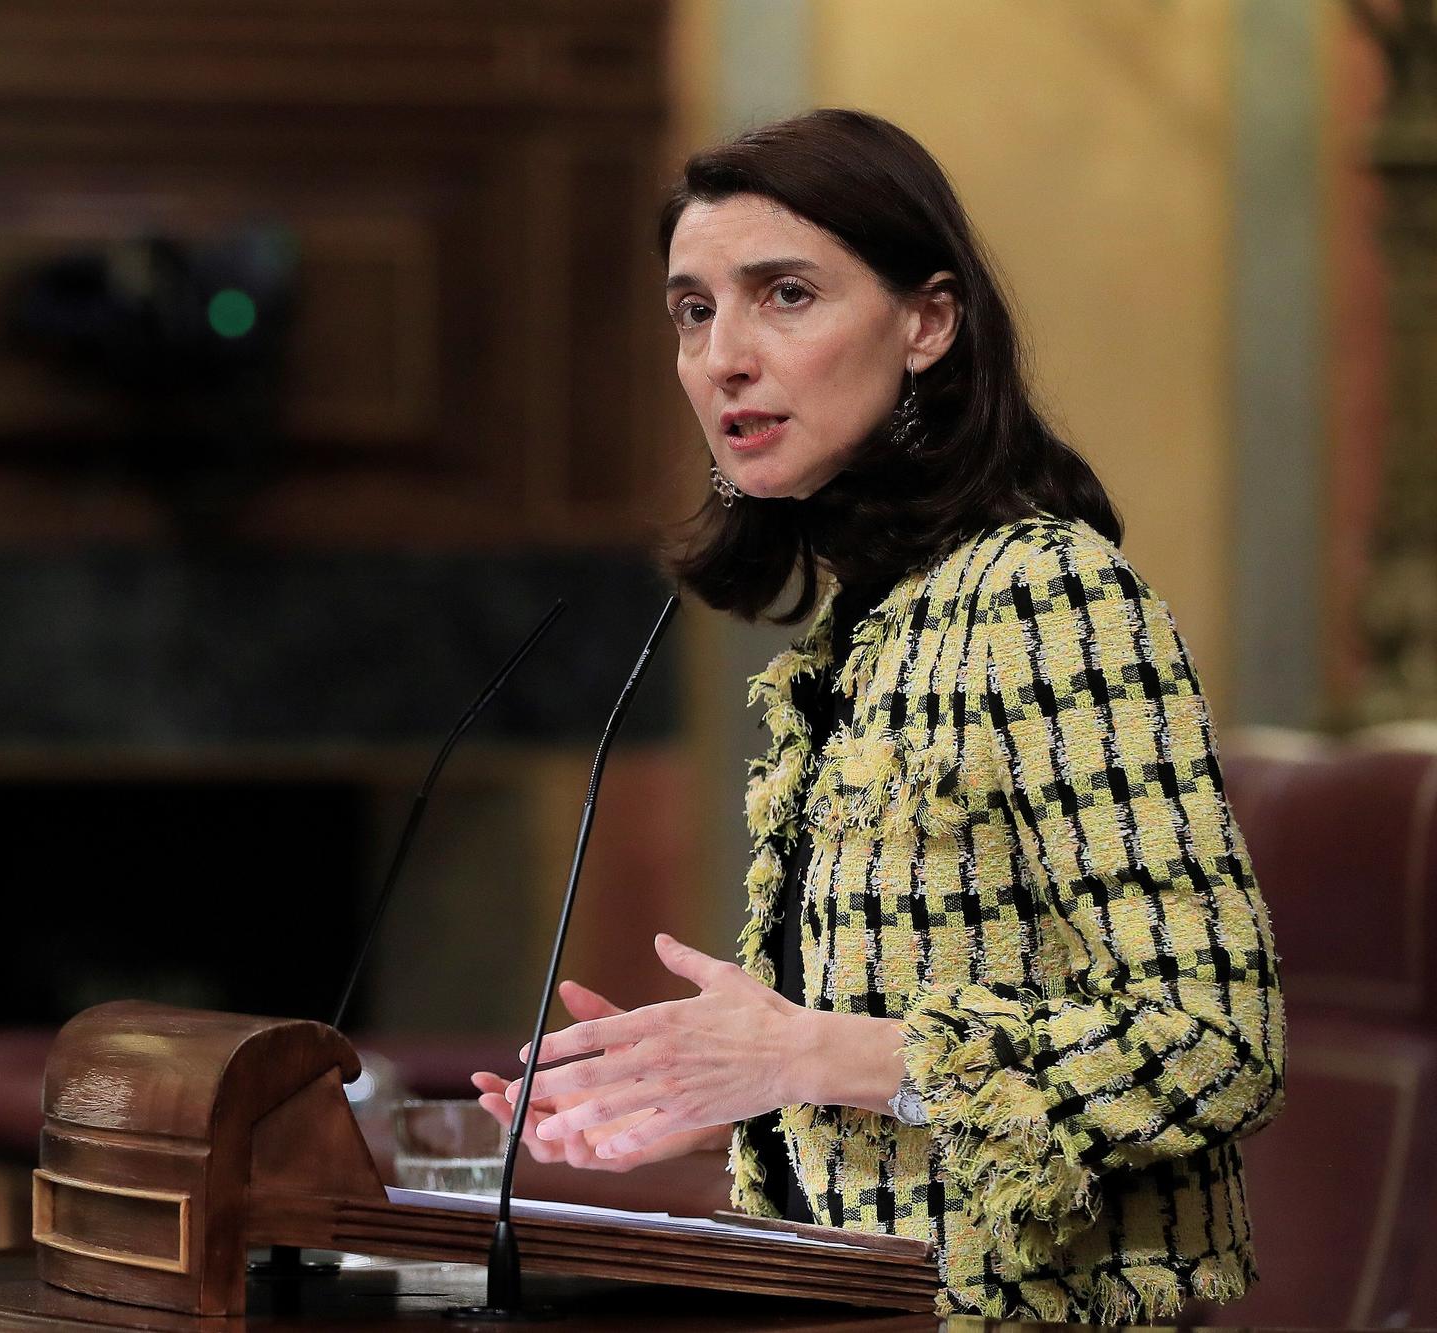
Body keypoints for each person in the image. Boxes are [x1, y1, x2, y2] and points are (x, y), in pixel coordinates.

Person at [471, 108, 1285, 1325]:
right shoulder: (870, 623)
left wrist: (808, 1054)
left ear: (926, 323)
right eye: (692, 311)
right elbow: (908, 1076)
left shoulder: (1046, 593)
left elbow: (1213, 1045)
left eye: (782, 295)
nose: (722, 357)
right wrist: (721, 1090)